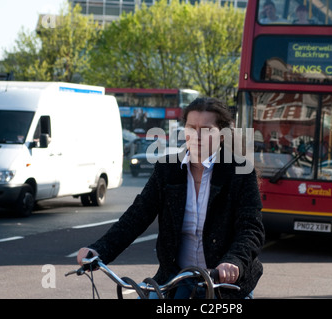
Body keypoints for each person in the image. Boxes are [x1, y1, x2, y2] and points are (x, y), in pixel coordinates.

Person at [76, 97, 265, 299]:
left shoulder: (240, 172)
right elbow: (137, 216)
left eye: (207, 129)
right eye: (192, 127)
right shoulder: (167, 169)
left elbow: (250, 228)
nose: (197, 135)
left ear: (221, 135)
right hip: (177, 279)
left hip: (225, 285)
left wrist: (234, 261)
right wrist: (99, 251)